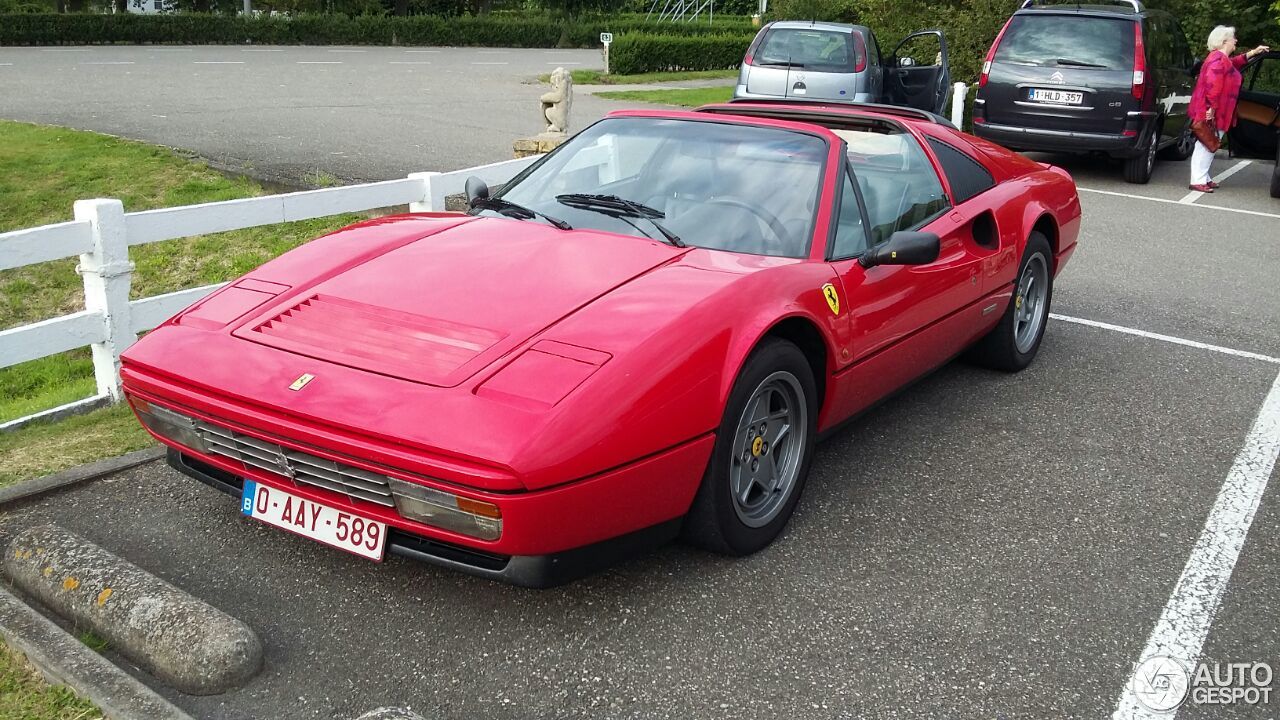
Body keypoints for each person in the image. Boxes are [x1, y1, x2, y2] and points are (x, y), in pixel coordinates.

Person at [1187, 26, 1270, 192]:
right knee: (1205, 143)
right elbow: (1213, 86)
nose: (1236, 41)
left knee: (1209, 142)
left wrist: (1253, 53)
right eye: (1233, 38)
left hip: (1217, 109)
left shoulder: (1222, 59)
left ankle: (1204, 177)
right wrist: (1211, 108)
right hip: (1212, 109)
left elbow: (1235, 63)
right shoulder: (1218, 59)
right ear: (1224, 41)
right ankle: (1197, 179)